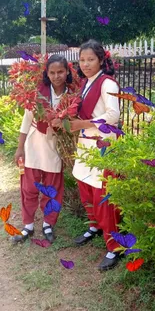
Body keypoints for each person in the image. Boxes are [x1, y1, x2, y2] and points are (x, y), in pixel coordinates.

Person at [71, 39, 121, 271]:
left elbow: (113, 114)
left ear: (101, 60)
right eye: (82, 60)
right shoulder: (87, 83)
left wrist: (85, 122)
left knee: (103, 196)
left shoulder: (107, 82)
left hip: (101, 145)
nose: (86, 63)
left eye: (91, 59)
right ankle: (94, 226)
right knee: (86, 187)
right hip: (85, 143)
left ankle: (113, 246)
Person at [13, 54, 74, 244]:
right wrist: (20, 147)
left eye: (61, 72)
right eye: (52, 72)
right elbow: (27, 121)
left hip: (55, 147)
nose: (57, 76)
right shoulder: (37, 92)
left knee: (52, 189)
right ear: (46, 74)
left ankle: (48, 223)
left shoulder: (72, 95)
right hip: (33, 146)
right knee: (29, 188)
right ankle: (28, 226)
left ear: (67, 72)